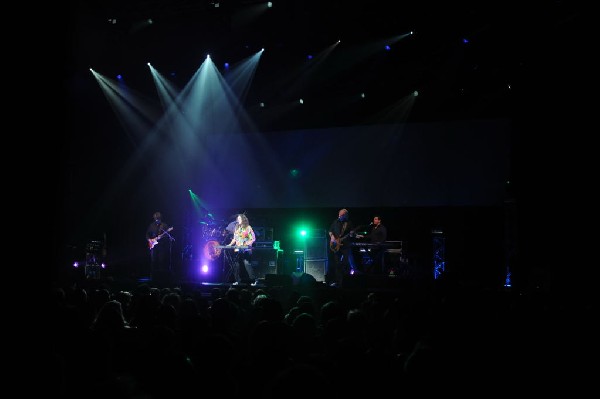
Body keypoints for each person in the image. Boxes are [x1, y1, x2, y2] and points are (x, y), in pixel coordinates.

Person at [328, 208, 357, 287]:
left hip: (345, 245)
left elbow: (352, 233)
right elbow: (330, 231)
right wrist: (332, 237)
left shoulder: (349, 223)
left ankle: (345, 280)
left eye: (342, 215)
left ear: (345, 215)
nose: (340, 216)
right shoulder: (335, 222)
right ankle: (337, 281)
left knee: (345, 262)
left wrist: (353, 234)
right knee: (337, 263)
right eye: (340, 215)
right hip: (336, 245)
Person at [226, 213, 256, 284]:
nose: (238, 220)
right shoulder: (237, 228)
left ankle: (254, 280)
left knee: (246, 263)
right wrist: (230, 244)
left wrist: (246, 244)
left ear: (243, 219)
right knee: (236, 264)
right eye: (237, 219)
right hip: (237, 249)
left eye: (239, 218)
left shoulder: (248, 227)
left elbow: (253, 238)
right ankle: (237, 280)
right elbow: (235, 239)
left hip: (245, 249)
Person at [145, 211, 174, 281]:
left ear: (160, 218)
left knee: (161, 261)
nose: (157, 221)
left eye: (158, 219)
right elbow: (147, 234)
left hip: (162, 246)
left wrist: (162, 237)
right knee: (153, 261)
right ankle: (152, 277)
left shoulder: (164, 225)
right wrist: (150, 240)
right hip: (153, 246)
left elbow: (167, 236)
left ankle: (161, 277)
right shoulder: (151, 225)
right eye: (156, 219)